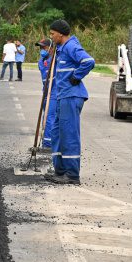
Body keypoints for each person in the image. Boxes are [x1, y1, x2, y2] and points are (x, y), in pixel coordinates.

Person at [45, 19, 95, 185]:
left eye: (52, 34)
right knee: (57, 133)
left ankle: (72, 175)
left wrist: (76, 76)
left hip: (71, 96)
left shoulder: (72, 46)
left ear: (60, 33)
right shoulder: (62, 49)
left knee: (69, 134)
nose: (51, 37)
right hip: (62, 96)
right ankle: (60, 171)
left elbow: (88, 61)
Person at [35, 38, 56, 150]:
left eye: (44, 47)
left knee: (49, 117)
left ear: (51, 48)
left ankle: (48, 144)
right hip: (46, 92)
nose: (41, 50)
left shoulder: (56, 60)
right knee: (45, 117)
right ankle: (45, 141)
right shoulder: (41, 61)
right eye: (40, 47)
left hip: (54, 92)